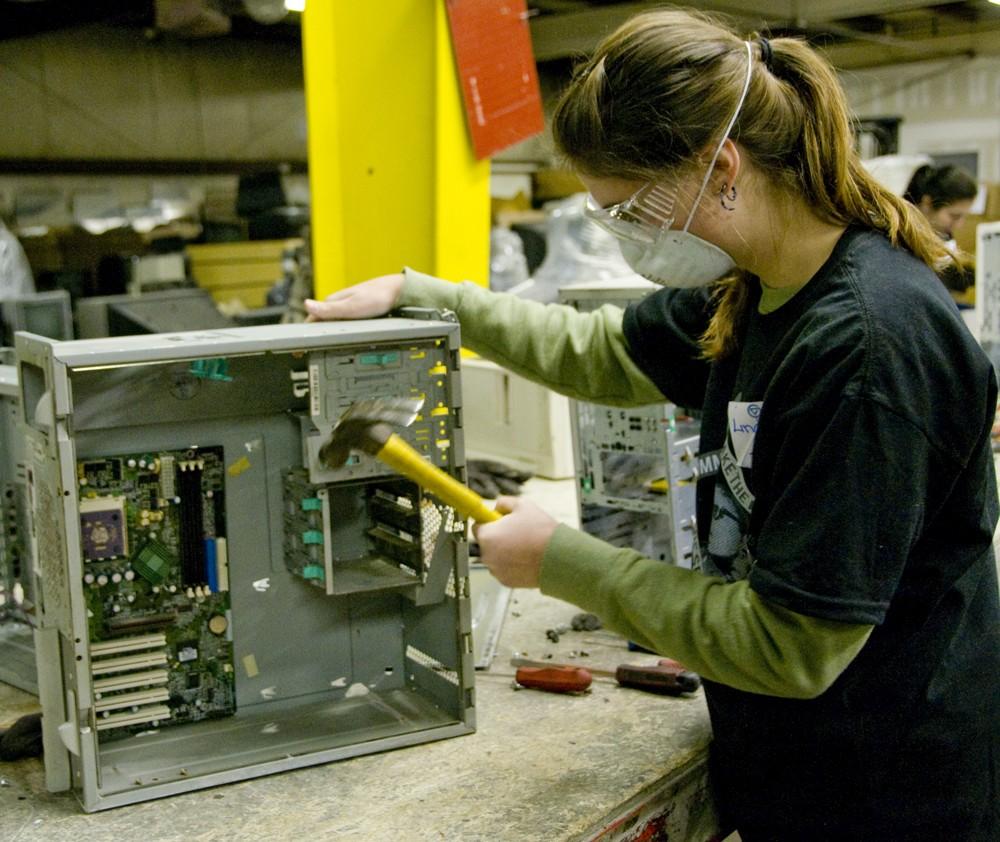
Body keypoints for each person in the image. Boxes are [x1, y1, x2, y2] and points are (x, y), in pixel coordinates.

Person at [305, 10, 1000, 840]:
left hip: (890, 793)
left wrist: (561, 562)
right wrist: (425, 297)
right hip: (801, 763)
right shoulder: (760, 279)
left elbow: (791, 646)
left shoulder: (866, 348)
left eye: (628, 209)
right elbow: (600, 351)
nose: (625, 235)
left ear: (722, 169)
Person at [903, 162, 978, 244]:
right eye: (954, 216)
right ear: (928, 203)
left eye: (964, 216)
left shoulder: (945, 237)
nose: (959, 225)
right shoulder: (899, 240)